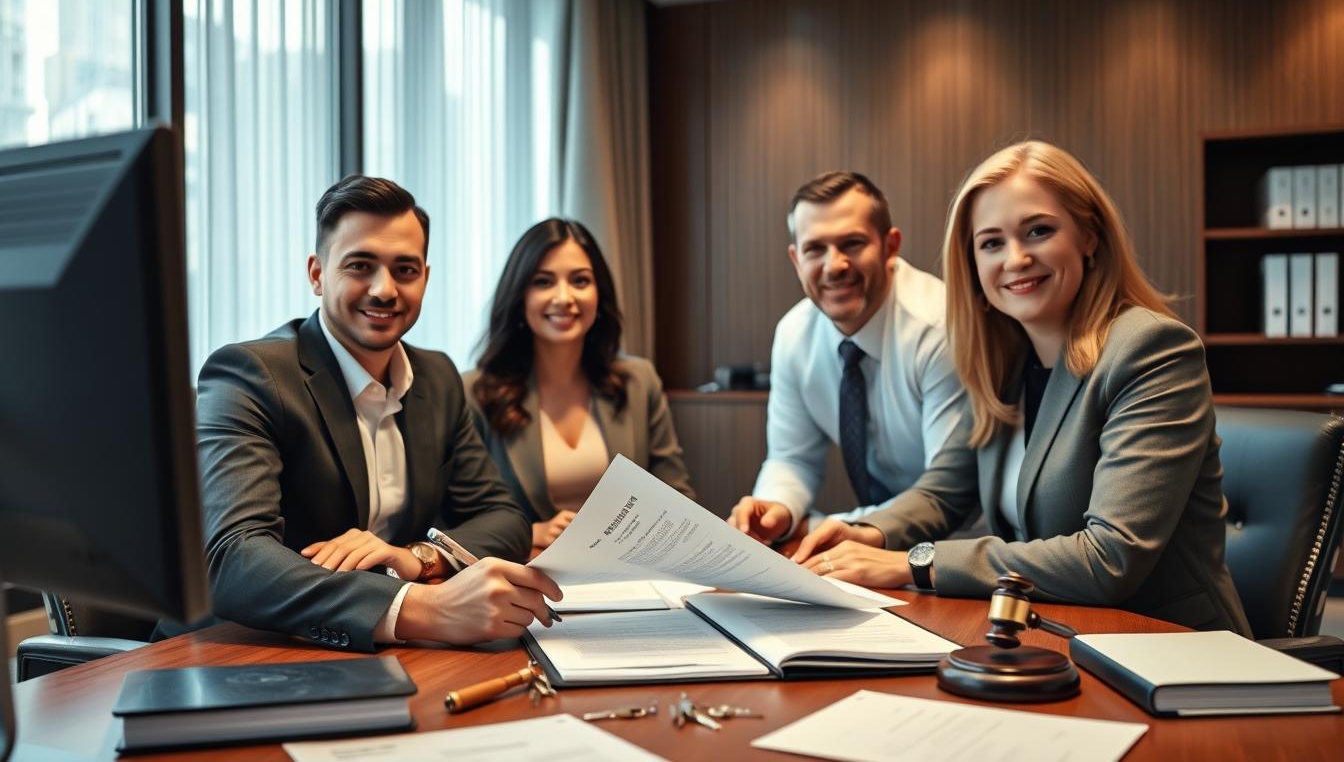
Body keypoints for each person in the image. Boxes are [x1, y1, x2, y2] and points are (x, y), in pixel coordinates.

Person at [793, 142, 1252, 636]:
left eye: (1039, 231)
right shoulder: (1008, 364)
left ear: (1089, 237)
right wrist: (865, 533)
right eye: (991, 242)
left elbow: (1109, 558)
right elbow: (944, 492)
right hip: (1057, 634)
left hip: (1168, 650)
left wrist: (915, 563)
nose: (1016, 258)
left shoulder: (1150, 350)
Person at [190, 175, 561, 653]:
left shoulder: (438, 377)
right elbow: (232, 559)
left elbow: (503, 517)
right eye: (361, 265)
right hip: (241, 648)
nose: (384, 290)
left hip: (388, 655)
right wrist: (424, 608)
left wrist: (417, 559)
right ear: (317, 274)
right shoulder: (250, 374)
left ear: (425, 278)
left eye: (404, 269)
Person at [728, 171, 967, 545]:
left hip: (959, 552)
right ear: (795, 259)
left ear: (890, 246)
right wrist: (775, 509)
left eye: (852, 243)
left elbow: (948, 494)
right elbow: (793, 459)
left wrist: (815, 527)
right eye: (814, 249)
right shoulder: (793, 334)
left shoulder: (940, 328)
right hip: (871, 550)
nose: (834, 265)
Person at [465, 218, 695, 549]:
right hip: (524, 575)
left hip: (627, 574)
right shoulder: (474, 392)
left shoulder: (638, 381)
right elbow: (453, 518)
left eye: (580, 281)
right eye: (543, 282)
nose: (564, 297)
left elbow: (677, 497)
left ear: (599, 294)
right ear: (520, 296)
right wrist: (528, 532)